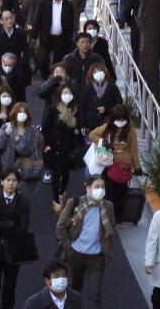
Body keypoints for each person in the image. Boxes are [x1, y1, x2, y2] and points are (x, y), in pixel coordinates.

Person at [56, 176, 117, 309]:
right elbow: (60, 226)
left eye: (103, 186)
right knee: (74, 292)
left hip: (97, 257)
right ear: (88, 188)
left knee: (95, 295)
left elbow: (112, 229)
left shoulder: (108, 206)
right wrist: (69, 248)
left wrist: (106, 248)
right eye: (97, 186)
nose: (100, 189)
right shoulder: (75, 202)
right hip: (76, 254)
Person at [0, 168, 30, 309]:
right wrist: (10, 224)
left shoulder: (23, 201)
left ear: (18, 183)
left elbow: (23, 228)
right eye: (8, 180)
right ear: (2, 182)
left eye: (14, 180)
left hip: (14, 249)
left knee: (10, 287)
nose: (11, 183)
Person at [89, 104, 142, 223]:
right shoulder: (107, 127)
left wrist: (137, 168)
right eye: (118, 119)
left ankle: (117, 217)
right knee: (108, 193)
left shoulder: (131, 131)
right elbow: (92, 135)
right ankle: (108, 216)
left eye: (123, 119)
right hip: (108, 164)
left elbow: (133, 150)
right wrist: (102, 142)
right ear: (113, 118)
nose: (121, 121)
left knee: (121, 194)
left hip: (124, 167)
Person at [43, 85, 81, 208]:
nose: (67, 95)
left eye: (69, 93)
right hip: (55, 146)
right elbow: (46, 127)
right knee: (56, 173)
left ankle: (61, 192)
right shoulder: (53, 109)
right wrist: (47, 144)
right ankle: (56, 201)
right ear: (60, 95)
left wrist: (77, 130)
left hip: (69, 147)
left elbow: (79, 126)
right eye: (65, 92)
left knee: (66, 173)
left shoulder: (75, 110)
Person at [33, 0, 74, 79]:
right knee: (43, 60)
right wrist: (34, 35)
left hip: (61, 38)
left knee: (58, 61)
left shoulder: (68, 5)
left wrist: (69, 38)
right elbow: (38, 19)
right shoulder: (45, 3)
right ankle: (45, 78)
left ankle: (56, 80)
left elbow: (71, 23)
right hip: (46, 37)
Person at [80, 64, 123, 134]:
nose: (98, 73)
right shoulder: (87, 88)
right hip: (90, 125)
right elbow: (82, 107)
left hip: (108, 123)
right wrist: (82, 125)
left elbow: (119, 105)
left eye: (100, 71)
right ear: (91, 75)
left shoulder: (112, 87)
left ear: (104, 72)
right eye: (95, 72)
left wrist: (106, 109)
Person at [0, 102, 38, 170]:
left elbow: (31, 150)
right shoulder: (6, 126)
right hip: (8, 168)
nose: (22, 114)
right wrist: (6, 133)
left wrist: (17, 142)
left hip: (26, 168)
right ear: (14, 113)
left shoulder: (31, 129)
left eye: (24, 112)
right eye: (19, 112)